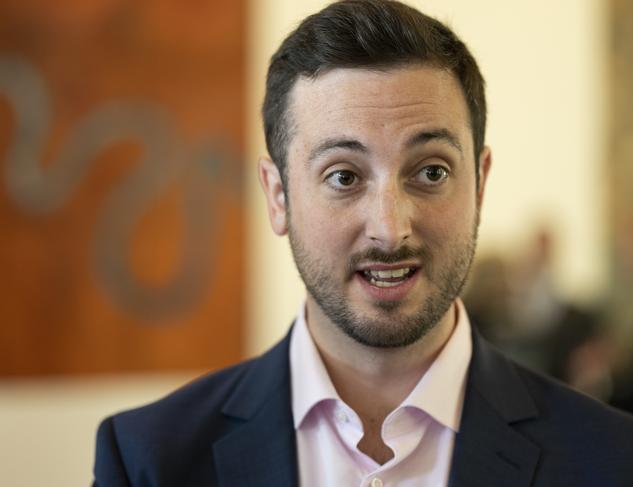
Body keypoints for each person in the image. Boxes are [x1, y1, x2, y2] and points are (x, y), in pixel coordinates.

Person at [92, 1, 633, 485]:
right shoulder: (149, 462)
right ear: (278, 197)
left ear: (481, 184)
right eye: (344, 176)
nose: (390, 228)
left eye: (432, 172)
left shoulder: (611, 458)